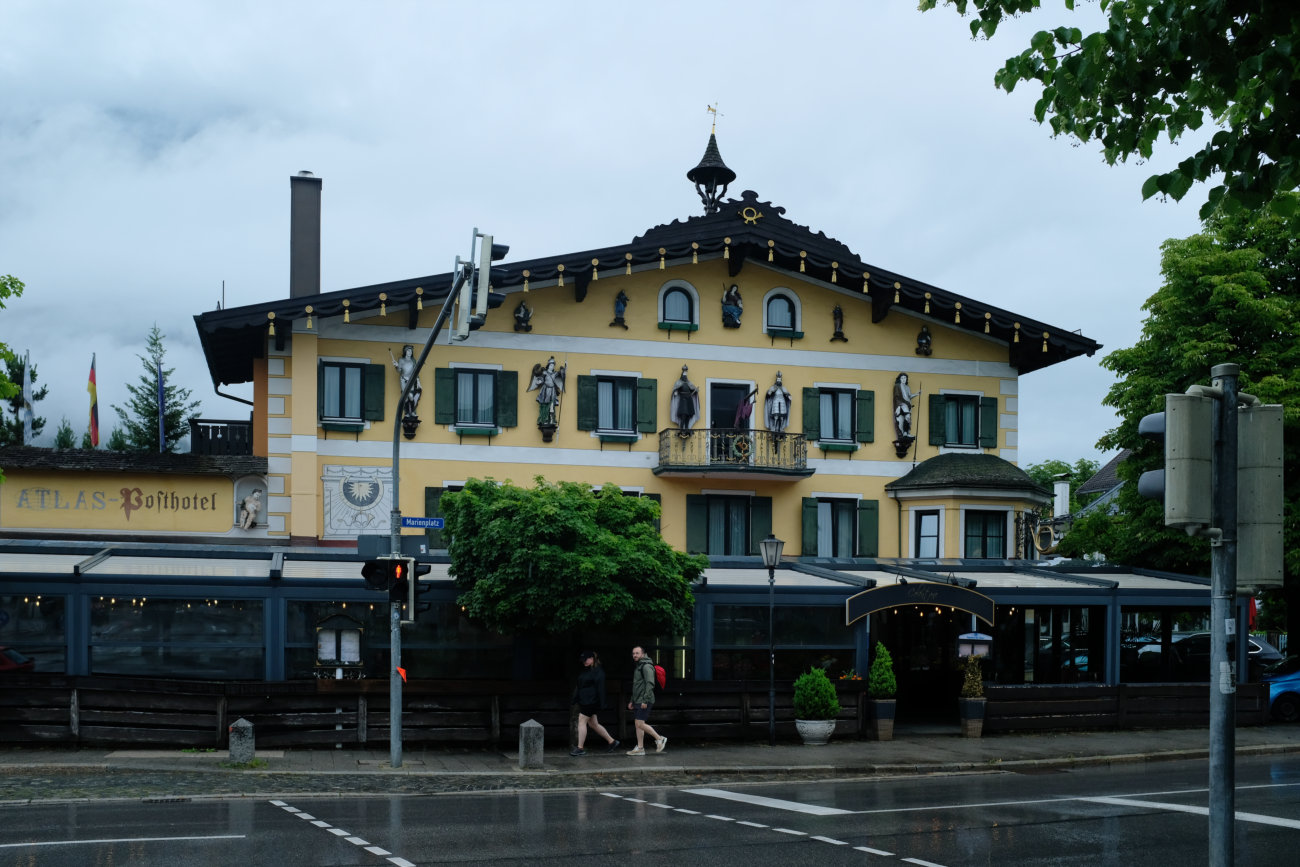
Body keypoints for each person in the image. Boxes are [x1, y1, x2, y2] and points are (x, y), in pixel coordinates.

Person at [570, 651, 620, 756]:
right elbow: (579, 685)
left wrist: (602, 703)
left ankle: (580, 748)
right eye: (583, 660)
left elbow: (601, 688)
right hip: (584, 701)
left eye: (586, 659)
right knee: (593, 724)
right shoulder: (586, 670)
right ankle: (612, 742)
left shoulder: (599, 672)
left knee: (581, 720)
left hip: (591, 701)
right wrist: (575, 698)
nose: (584, 662)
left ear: (592, 659)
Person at [626, 645, 667, 755]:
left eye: (637, 653)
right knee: (638, 723)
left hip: (644, 699)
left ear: (643, 654)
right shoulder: (639, 666)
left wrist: (645, 700)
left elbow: (650, 684)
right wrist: (632, 700)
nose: (635, 655)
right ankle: (640, 748)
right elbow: (637, 685)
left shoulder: (646, 666)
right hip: (638, 699)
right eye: (633, 653)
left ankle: (660, 739)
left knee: (640, 723)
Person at [528, 356, 567, 425]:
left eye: (553, 365)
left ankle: (552, 419)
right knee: (545, 404)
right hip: (545, 391)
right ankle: (544, 419)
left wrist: (565, 367)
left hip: (552, 391)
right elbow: (541, 378)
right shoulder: (545, 373)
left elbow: (561, 373)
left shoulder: (554, 374)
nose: (552, 367)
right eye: (551, 365)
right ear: (548, 365)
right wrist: (539, 381)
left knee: (552, 405)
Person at [390, 345, 421, 418]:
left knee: (411, 396)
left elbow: (416, 372)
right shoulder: (401, 360)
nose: (410, 352)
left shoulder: (413, 360)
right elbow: (399, 371)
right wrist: (396, 366)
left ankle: (413, 411)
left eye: (411, 351)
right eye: (408, 351)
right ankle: (407, 412)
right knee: (405, 397)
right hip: (403, 380)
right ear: (405, 351)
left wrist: (418, 381)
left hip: (411, 380)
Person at [670, 365, 699, 434]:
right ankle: (681, 428)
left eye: (685, 376)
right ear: (682, 376)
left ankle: (687, 428)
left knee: (688, 415)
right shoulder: (678, 383)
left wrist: (695, 391)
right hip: (683, 399)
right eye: (684, 376)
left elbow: (692, 389)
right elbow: (675, 389)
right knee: (683, 414)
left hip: (689, 399)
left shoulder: (689, 383)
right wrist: (675, 392)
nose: (685, 377)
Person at [893, 372, 919, 439]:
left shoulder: (907, 387)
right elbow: (896, 396)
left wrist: (916, 394)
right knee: (906, 416)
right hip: (901, 403)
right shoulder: (897, 386)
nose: (903, 379)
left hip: (907, 404)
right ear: (899, 379)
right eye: (902, 378)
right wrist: (901, 404)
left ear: (906, 379)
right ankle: (904, 432)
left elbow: (909, 396)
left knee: (907, 417)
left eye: (905, 378)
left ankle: (906, 432)